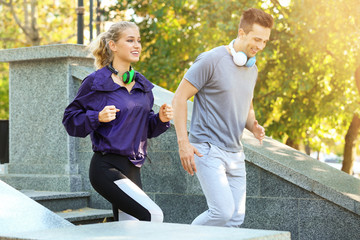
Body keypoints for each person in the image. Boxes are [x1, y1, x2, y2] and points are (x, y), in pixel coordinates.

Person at [62, 21, 173, 222]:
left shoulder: (142, 86)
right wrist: (97, 117)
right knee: (152, 215)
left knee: (131, 228)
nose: (137, 45)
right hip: (106, 167)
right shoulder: (96, 82)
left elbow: (145, 128)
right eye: (130, 40)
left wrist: (160, 119)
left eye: (138, 41)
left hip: (133, 168)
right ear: (113, 45)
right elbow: (70, 121)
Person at [172, 8, 273, 227]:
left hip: (236, 153)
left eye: (265, 41)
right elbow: (179, 98)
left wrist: (253, 126)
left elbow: (248, 106)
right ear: (241, 32)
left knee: (235, 219)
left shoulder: (252, 68)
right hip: (208, 148)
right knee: (222, 213)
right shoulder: (212, 60)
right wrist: (183, 143)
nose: (260, 46)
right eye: (257, 39)